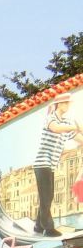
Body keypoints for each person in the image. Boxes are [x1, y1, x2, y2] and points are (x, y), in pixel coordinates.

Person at [32, 96, 81, 238]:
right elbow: (56, 128)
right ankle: (48, 228)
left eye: (68, 103)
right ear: (59, 104)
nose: (68, 105)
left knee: (47, 196)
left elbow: (78, 138)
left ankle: (38, 226)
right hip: (42, 163)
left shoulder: (66, 123)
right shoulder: (50, 118)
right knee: (47, 196)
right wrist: (76, 126)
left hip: (50, 165)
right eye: (66, 103)